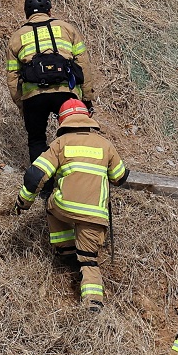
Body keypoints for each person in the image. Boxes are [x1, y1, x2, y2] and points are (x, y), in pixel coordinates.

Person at [18, 97, 127, 309]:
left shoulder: (60, 144)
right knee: (89, 261)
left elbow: (35, 175)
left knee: (51, 205)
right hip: (95, 215)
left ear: (63, 121)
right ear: (87, 119)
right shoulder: (106, 145)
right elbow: (119, 177)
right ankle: (93, 303)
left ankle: (66, 251)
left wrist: (22, 202)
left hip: (64, 208)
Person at [5, 0, 91, 163]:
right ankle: (74, 176)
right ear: (50, 11)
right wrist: (87, 99)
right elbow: (84, 66)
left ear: (27, 14)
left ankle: (43, 186)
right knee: (74, 135)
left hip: (34, 97)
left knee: (36, 140)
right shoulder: (68, 29)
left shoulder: (16, 37)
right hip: (66, 92)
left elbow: (12, 77)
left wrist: (22, 105)